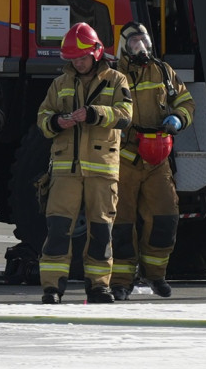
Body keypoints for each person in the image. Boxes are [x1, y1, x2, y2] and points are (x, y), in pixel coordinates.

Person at [36, 22, 133, 304]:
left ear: (96, 53)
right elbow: (43, 118)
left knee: (101, 231)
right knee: (57, 229)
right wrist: (56, 121)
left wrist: (94, 113)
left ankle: (99, 286)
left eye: (82, 57)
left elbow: (125, 115)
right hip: (66, 169)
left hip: (102, 170)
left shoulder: (116, 80)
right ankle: (52, 287)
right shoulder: (60, 84)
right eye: (73, 59)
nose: (78, 63)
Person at [111, 22, 195, 301]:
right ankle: (122, 281)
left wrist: (178, 118)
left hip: (158, 158)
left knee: (165, 217)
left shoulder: (163, 71)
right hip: (125, 158)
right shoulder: (113, 75)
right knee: (122, 223)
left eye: (144, 43)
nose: (142, 49)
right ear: (125, 47)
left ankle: (155, 275)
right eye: (135, 44)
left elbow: (186, 102)